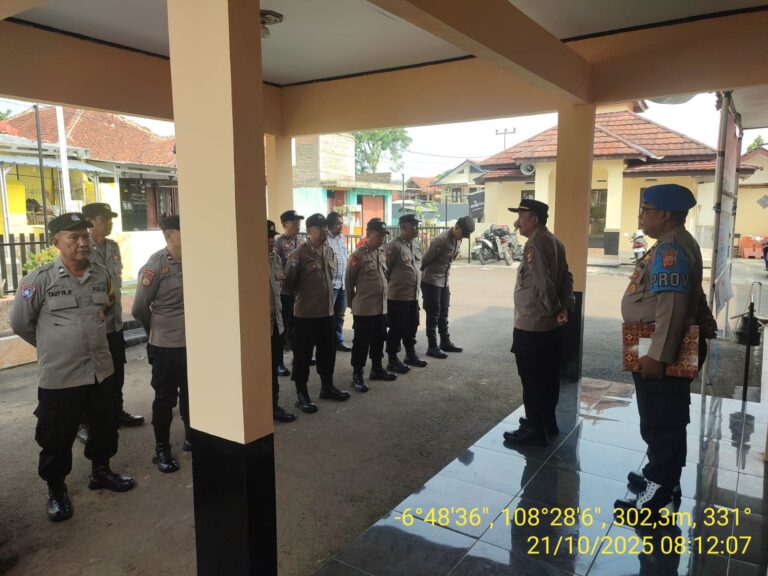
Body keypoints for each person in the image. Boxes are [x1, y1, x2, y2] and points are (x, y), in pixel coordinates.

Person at [11, 212, 136, 522]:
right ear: (56, 242)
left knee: (104, 424)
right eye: (74, 238)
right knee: (57, 435)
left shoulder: (101, 274)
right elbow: (21, 324)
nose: (83, 243)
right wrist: (54, 346)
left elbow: (107, 308)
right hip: (61, 375)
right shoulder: (39, 280)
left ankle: (101, 471)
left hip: (100, 370)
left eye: (85, 236)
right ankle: (56, 489)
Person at [614, 184, 713, 516]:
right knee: (657, 416)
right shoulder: (672, 243)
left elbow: (672, 306)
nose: (642, 216)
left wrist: (658, 355)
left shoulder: (671, 250)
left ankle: (659, 490)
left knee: (662, 420)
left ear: (665, 214)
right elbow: (688, 294)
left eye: (646, 210)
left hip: (659, 342)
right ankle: (661, 475)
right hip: (651, 337)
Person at [502, 200, 573, 447]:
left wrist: (555, 310)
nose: (517, 222)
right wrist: (564, 307)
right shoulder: (554, 241)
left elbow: (543, 283)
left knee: (532, 378)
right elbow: (567, 277)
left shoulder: (535, 244)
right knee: (548, 377)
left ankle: (534, 429)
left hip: (533, 324)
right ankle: (546, 421)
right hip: (547, 326)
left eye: (521, 217)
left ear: (534, 219)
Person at [132, 215, 189, 473]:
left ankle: (192, 436)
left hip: (193, 344)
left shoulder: (196, 258)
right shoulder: (155, 265)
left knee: (192, 394)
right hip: (166, 345)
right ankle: (161, 448)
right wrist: (154, 332)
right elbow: (139, 308)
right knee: (165, 399)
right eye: (184, 230)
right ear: (169, 236)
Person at [82, 202, 144, 428]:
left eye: (110, 219)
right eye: (103, 219)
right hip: (93, 327)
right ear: (89, 221)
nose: (109, 223)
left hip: (114, 324)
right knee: (92, 375)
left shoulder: (113, 246)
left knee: (117, 371)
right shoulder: (82, 249)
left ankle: (116, 411)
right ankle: (87, 422)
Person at [283, 213, 350, 412]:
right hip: (306, 315)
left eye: (326, 227)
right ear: (310, 230)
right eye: (321, 228)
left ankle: (327, 387)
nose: (325, 231)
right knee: (302, 356)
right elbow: (288, 285)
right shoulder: (298, 255)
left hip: (326, 313)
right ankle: (301, 394)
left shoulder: (328, 251)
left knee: (327, 353)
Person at [346, 218, 397, 392]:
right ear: (368, 234)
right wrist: (353, 305)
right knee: (361, 343)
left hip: (380, 307)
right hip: (364, 308)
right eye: (379, 234)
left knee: (379, 339)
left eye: (383, 235)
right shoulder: (358, 255)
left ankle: (377, 368)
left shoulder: (381, 253)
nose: (382, 238)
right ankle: (357, 374)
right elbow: (349, 282)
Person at [420, 216, 475, 358]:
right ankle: (432, 346)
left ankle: (445, 342)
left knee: (444, 312)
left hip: (444, 281)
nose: (463, 237)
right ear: (457, 227)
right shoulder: (441, 240)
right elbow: (425, 260)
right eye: (463, 233)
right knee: (433, 314)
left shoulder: (457, 239)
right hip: (431, 281)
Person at [384, 213, 427, 372]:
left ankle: (410, 354)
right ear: (403, 227)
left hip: (413, 296)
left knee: (411, 326)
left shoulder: (415, 245)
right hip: (397, 297)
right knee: (397, 329)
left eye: (417, 226)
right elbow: (385, 271)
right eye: (413, 226)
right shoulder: (393, 246)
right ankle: (392, 359)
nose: (417, 229)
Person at [268, 220, 296, 422]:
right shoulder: (247, 261)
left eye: (272, 237)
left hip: (276, 324)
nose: (271, 240)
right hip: (258, 328)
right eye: (267, 238)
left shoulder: (275, 258)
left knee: (273, 369)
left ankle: (273, 406)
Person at [275, 209, 305, 376]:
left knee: (298, 327)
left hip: (300, 293)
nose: (297, 225)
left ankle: (297, 356)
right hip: (285, 294)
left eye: (298, 222)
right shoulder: (278, 244)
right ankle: (279, 362)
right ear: (284, 225)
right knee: (283, 328)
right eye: (294, 222)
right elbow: (277, 268)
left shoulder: (301, 241)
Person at [325, 211, 351, 352]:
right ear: (330, 225)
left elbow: (344, 257)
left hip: (342, 284)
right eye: (338, 224)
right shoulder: (325, 239)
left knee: (340, 315)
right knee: (328, 316)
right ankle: (327, 342)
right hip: (331, 284)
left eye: (341, 223)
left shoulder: (341, 238)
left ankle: (338, 341)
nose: (341, 226)